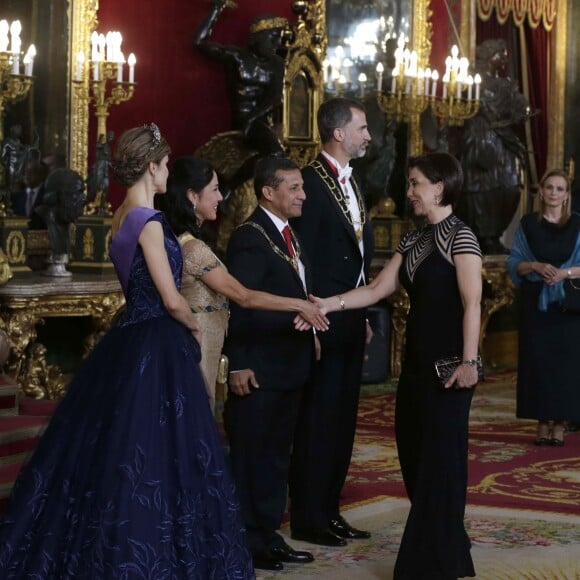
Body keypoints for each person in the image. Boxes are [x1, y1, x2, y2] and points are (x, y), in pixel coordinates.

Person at [0, 124, 255, 579]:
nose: (167, 175)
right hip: (158, 340)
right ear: (152, 167)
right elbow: (171, 296)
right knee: (162, 455)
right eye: (165, 166)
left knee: (117, 451)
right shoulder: (149, 221)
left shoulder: (120, 216)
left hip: (129, 339)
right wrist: (193, 325)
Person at [310, 151, 482, 578]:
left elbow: (472, 302)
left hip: (450, 367)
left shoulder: (463, 237)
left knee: (440, 465)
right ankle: (450, 544)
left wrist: (470, 361)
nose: (409, 193)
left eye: (415, 184)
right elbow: (376, 290)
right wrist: (331, 304)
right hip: (415, 366)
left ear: (439, 187)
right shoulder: (413, 239)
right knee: (414, 457)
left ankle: (430, 564)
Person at [157, 155, 328, 414]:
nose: (221, 198)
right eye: (214, 190)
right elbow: (243, 297)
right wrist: (300, 306)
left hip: (206, 346)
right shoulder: (194, 248)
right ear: (193, 196)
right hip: (195, 346)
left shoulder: (189, 241)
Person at [222, 155, 318, 572]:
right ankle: (246, 540)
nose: (302, 194)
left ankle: (267, 533)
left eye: (301, 187)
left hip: (288, 363)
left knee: (277, 456)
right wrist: (239, 363)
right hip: (258, 367)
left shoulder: (286, 233)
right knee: (251, 457)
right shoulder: (250, 237)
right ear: (268, 192)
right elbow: (238, 302)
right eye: (294, 187)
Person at [289, 96, 375, 547]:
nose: (368, 136)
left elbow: (359, 254)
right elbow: (301, 255)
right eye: (362, 128)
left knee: (343, 420)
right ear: (338, 133)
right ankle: (308, 516)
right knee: (318, 419)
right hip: (321, 314)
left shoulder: (351, 181)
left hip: (349, 313)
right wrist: (310, 310)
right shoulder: (308, 181)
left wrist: (360, 312)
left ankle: (331, 509)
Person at [507, 169, 580, 447]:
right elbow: (514, 263)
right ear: (540, 191)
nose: (553, 193)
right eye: (549, 187)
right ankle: (541, 422)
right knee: (537, 364)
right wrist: (535, 266)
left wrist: (565, 273)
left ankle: (560, 423)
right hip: (535, 304)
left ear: (566, 195)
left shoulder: (577, 224)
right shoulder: (528, 224)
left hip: (567, 307)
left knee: (565, 367)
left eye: (559, 189)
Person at [194, 0, 287, 195]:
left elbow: (275, 98)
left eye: (278, 37)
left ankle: (230, 186)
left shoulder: (277, 63)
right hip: (240, 118)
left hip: (259, 120)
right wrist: (216, 9)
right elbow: (200, 42)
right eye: (272, 37)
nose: (276, 43)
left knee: (277, 153)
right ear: (257, 38)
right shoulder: (237, 57)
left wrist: (252, 120)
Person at [458, 38, 531, 254]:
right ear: (493, 57)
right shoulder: (471, 81)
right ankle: (481, 235)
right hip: (480, 137)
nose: (505, 60)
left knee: (509, 186)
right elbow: (462, 104)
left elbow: (521, 107)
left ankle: (494, 232)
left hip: (502, 138)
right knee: (479, 186)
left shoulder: (505, 84)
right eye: (502, 56)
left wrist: (521, 109)